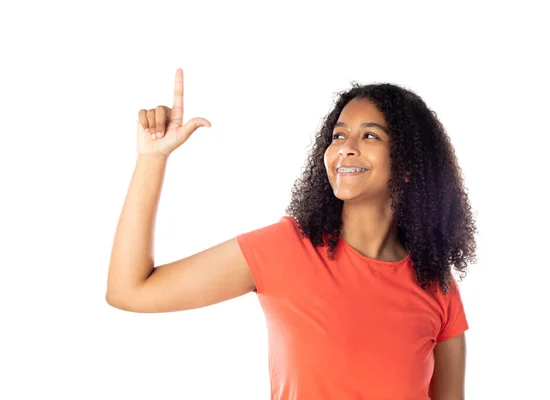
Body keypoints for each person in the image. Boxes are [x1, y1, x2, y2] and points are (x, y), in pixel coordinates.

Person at [106, 68, 478, 399]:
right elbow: (130, 290)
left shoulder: (437, 285)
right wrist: (152, 160)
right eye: (339, 135)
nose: (345, 149)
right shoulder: (286, 249)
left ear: (409, 165)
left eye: (370, 136)